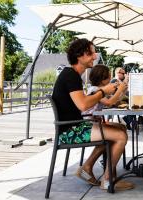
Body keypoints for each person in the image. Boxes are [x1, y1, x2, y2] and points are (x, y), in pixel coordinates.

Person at [52, 38, 134, 191]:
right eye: (91, 53)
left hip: (76, 126)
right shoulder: (70, 75)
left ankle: (88, 168)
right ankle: (107, 180)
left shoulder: (73, 75)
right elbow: (83, 104)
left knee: (120, 129)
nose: (95, 56)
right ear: (80, 55)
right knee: (120, 136)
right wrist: (104, 91)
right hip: (70, 131)